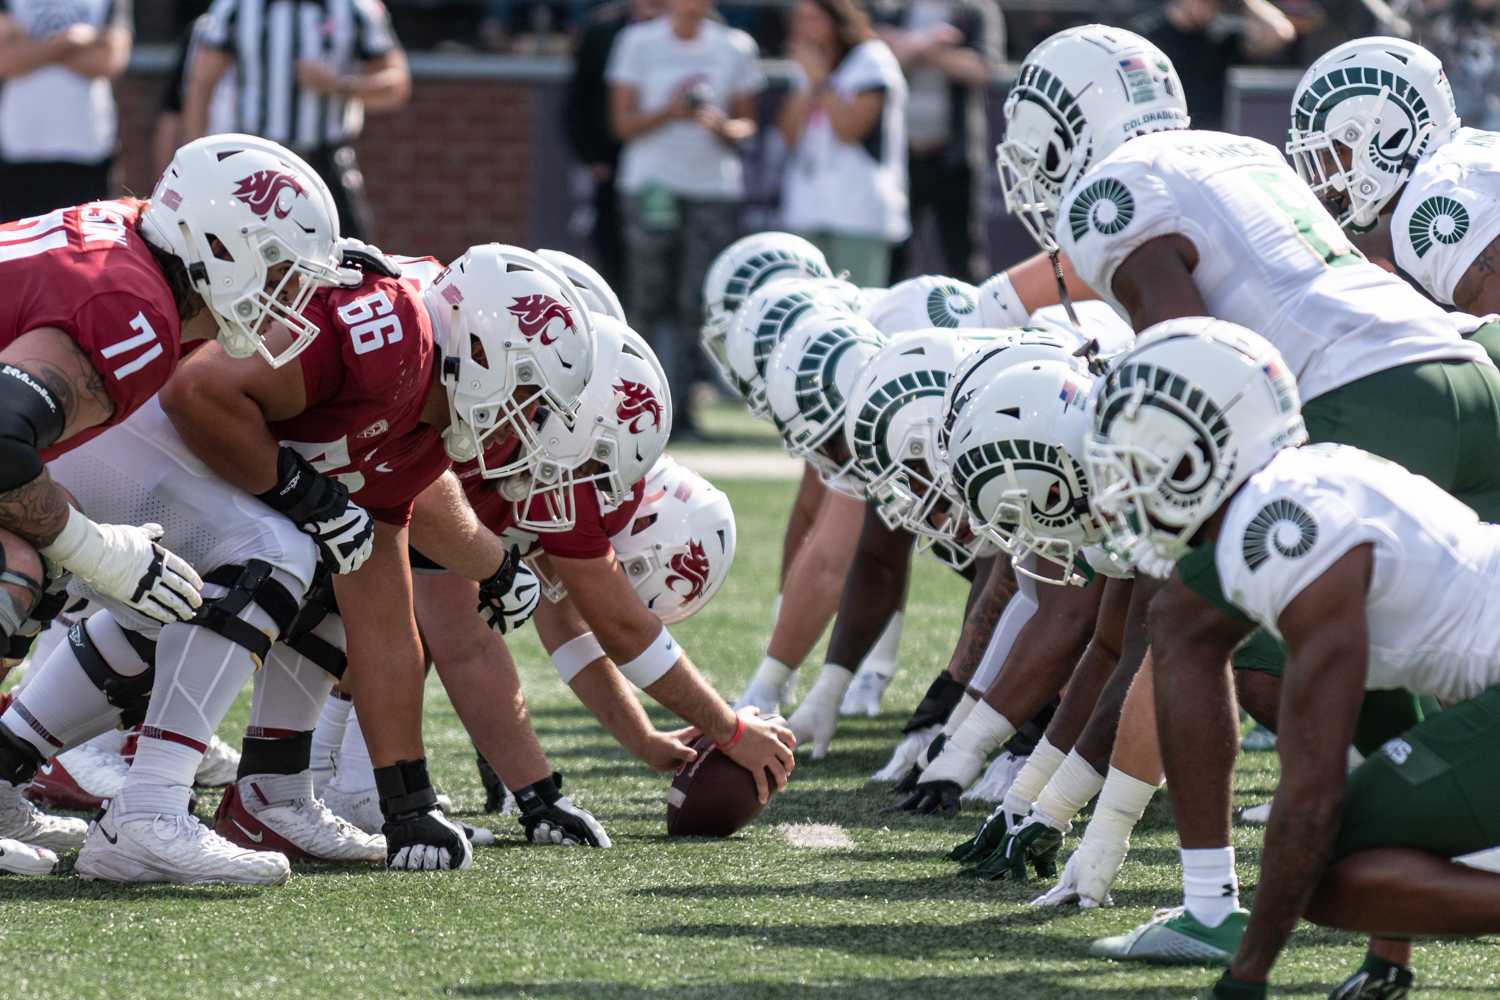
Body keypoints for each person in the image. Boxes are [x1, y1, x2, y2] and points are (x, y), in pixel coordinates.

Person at [997, 22, 1500, 967]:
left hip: (1359, 391)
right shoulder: (1232, 148)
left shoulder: (1112, 193)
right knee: (1378, 627)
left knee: (1196, 628)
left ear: (1069, 127)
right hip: (1461, 370)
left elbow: (1191, 363)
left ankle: (1211, 903)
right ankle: (1397, 918)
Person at [1086, 319, 1500, 1000]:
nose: (1123, 485)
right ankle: (1388, 967)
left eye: (1134, 459)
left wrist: (1246, 977)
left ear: (1196, 449)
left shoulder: (1284, 534)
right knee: (1341, 844)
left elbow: (1311, 797)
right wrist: (1385, 955)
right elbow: (1390, 723)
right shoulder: (1302, 481)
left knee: (1322, 865)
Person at [607, 0, 764, 439]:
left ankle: (684, 409)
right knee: (645, 298)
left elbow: (747, 124)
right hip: (650, 185)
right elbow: (622, 125)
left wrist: (722, 127)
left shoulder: (736, 46)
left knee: (696, 301)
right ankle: (633, 405)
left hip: (711, 188)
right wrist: (670, 112)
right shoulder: (637, 41)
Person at [183, 0, 413, 240]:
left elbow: (397, 85)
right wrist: (200, 165)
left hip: (326, 163)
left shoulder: (356, 7)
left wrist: (338, 84)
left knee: (349, 263)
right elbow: (200, 86)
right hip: (254, 164)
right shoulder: (236, 6)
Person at [870, 0, 1003, 283]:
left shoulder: (974, 10)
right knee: (893, 261)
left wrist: (913, 49)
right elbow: (874, 61)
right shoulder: (891, 8)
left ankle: (974, 326)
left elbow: (982, 69)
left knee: (964, 260)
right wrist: (929, 44)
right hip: (900, 160)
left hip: (953, 159)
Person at [778, 0, 908, 287]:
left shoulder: (872, 59)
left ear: (836, 20)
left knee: (855, 311)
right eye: (798, 18)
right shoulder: (807, 64)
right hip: (808, 208)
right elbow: (787, 137)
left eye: (811, 18)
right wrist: (808, 84)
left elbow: (849, 131)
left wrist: (821, 82)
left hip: (858, 212)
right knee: (808, 307)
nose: (802, 27)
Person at [561, 0, 668, 296]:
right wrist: (593, 156)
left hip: (674, 169)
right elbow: (578, 100)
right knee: (616, 262)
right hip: (613, 165)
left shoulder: (700, 31)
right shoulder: (603, 30)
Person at [0, 0, 132, 222]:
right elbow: (6, 60)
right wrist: (72, 40)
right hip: (18, 151)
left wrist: (32, 46)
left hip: (87, 150)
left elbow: (109, 60)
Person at [1139, 0, 1293, 133]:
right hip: (1166, 135)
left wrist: (1247, 3)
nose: (1209, 9)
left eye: (1216, 3)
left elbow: (1278, 34)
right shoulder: (1148, 34)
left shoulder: (1222, 36)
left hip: (1213, 140)